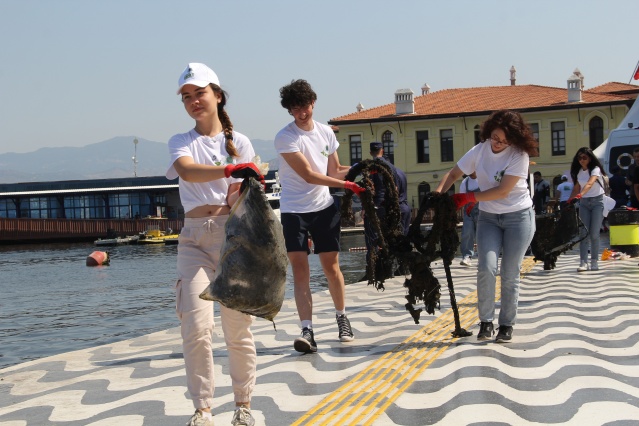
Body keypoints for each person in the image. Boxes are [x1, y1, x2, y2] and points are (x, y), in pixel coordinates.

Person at [166, 63, 264, 426]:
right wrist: (229, 171)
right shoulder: (180, 141)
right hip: (193, 238)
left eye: (200, 93)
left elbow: (241, 196)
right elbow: (188, 171)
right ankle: (203, 409)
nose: (194, 101)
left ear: (217, 95)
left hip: (232, 239)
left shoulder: (242, 144)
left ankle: (243, 404)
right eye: (187, 97)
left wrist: (247, 183)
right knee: (195, 325)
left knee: (236, 328)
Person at [274, 79, 365, 354]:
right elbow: (309, 175)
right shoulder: (286, 137)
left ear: (313, 102)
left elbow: (334, 170)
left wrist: (366, 168)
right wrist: (348, 185)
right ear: (290, 111)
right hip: (294, 210)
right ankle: (307, 330)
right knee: (301, 271)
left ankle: (342, 317)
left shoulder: (326, 133)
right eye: (295, 109)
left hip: (324, 208)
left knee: (331, 267)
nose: (301, 112)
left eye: (305, 106)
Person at [435, 110, 537, 343]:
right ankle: (486, 321)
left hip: (518, 217)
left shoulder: (518, 155)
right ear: (489, 133)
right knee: (486, 267)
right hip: (489, 218)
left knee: (510, 273)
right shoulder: (479, 150)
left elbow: (502, 191)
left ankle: (506, 324)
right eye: (495, 138)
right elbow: (453, 173)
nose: (499, 143)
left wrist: (469, 198)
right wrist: (439, 193)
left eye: (504, 140)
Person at [363, 142, 411, 275]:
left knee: (374, 240)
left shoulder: (374, 169)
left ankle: (376, 271)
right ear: (382, 151)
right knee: (400, 239)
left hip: (381, 208)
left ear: (371, 152)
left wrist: (367, 208)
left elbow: (376, 191)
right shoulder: (399, 172)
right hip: (403, 209)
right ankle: (402, 269)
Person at [567, 147, 607, 272]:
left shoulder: (595, 169)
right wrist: (569, 201)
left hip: (597, 202)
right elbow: (576, 188)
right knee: (583, 234)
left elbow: (589, 184)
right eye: (579, 158)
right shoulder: (579, 171)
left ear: (590, 158)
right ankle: (583, 262)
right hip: (584, 203)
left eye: (584, 158)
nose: (581, 160)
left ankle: (594, 261)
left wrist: (580, 195)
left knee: (594, 234)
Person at [459, 172, 480, 266]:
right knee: (467, 233)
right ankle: (467, 256)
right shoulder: (465, 182)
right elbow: (462, 197)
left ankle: (483, 256)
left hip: (482, 212)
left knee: (483, 234)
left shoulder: (483, 179)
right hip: (468, 212)